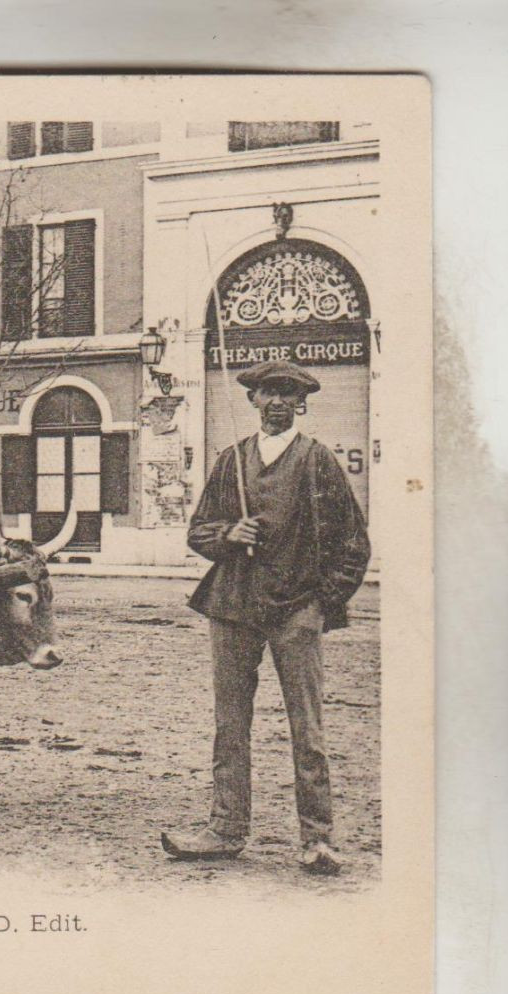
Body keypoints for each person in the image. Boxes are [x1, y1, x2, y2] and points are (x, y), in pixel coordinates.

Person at [162, 360, 371, 875]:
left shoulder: (319, 462)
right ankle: (225, 829)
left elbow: (353, 545)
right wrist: (228, 535)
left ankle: (317, 839)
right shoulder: (230, 460)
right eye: (266, 393)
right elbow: (199, 532)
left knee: (308, 728)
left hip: (297, 611)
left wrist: (323, 603)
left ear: (300, 402)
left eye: (286, 394)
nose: (276, 402)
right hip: (232, 607)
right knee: (230, 724)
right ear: (253, 400)